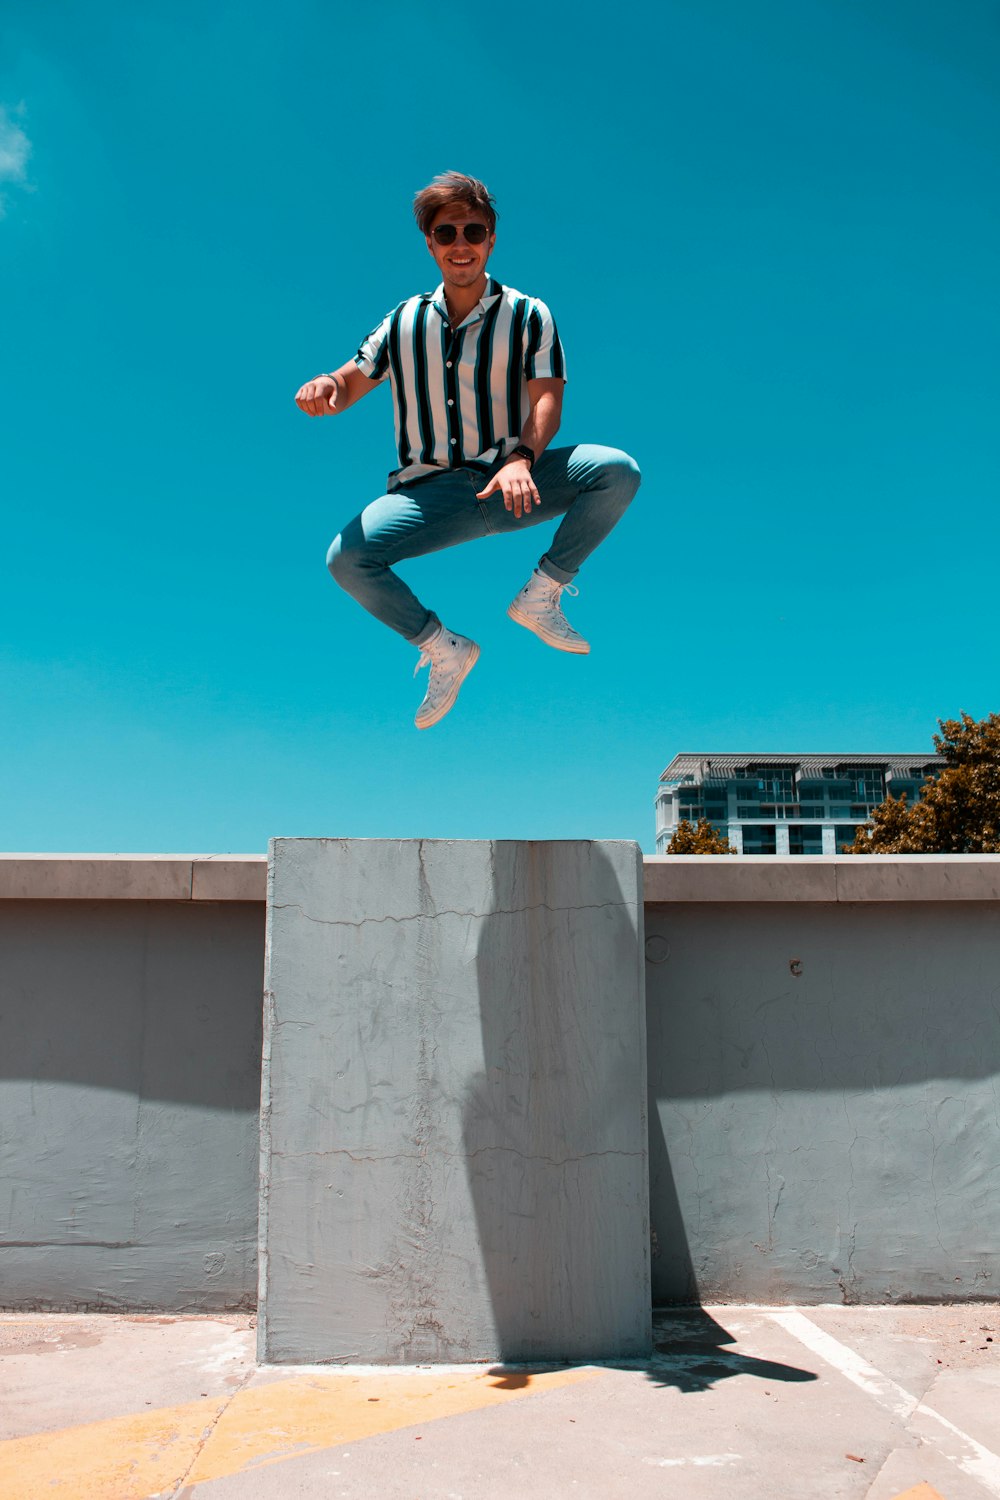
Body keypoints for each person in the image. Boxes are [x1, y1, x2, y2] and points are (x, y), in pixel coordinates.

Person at [295, 171, 641, 729]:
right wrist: (324, 389)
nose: (462, 244)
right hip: (429, 496)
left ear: (492, 239)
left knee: (616, 470)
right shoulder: (401, 321)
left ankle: (540, 596)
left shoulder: (530, 315)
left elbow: (547, 400)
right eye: (447, 232)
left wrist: (521, 458)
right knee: (346, 558)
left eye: (474, 231)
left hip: (515, 481)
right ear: (430, 243)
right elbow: (346, 385)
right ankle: (443, 649)